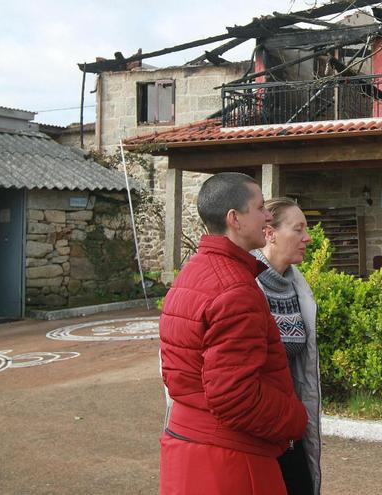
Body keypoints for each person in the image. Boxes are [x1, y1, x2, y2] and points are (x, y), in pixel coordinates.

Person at [159, 173, 308, 494]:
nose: (268, 215)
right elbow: (234, 396)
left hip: (188, 445)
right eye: (259, 208)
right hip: (228, 460)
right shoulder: (234, 289)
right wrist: (296, 418)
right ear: (234, 219)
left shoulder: (193, 271)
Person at [252, 198, 322, 495]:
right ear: (269, 233)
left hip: (291, 428)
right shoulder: (248, 284)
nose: (308, 238)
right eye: (298, 229)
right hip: (260, 429)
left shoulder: (297, 285)